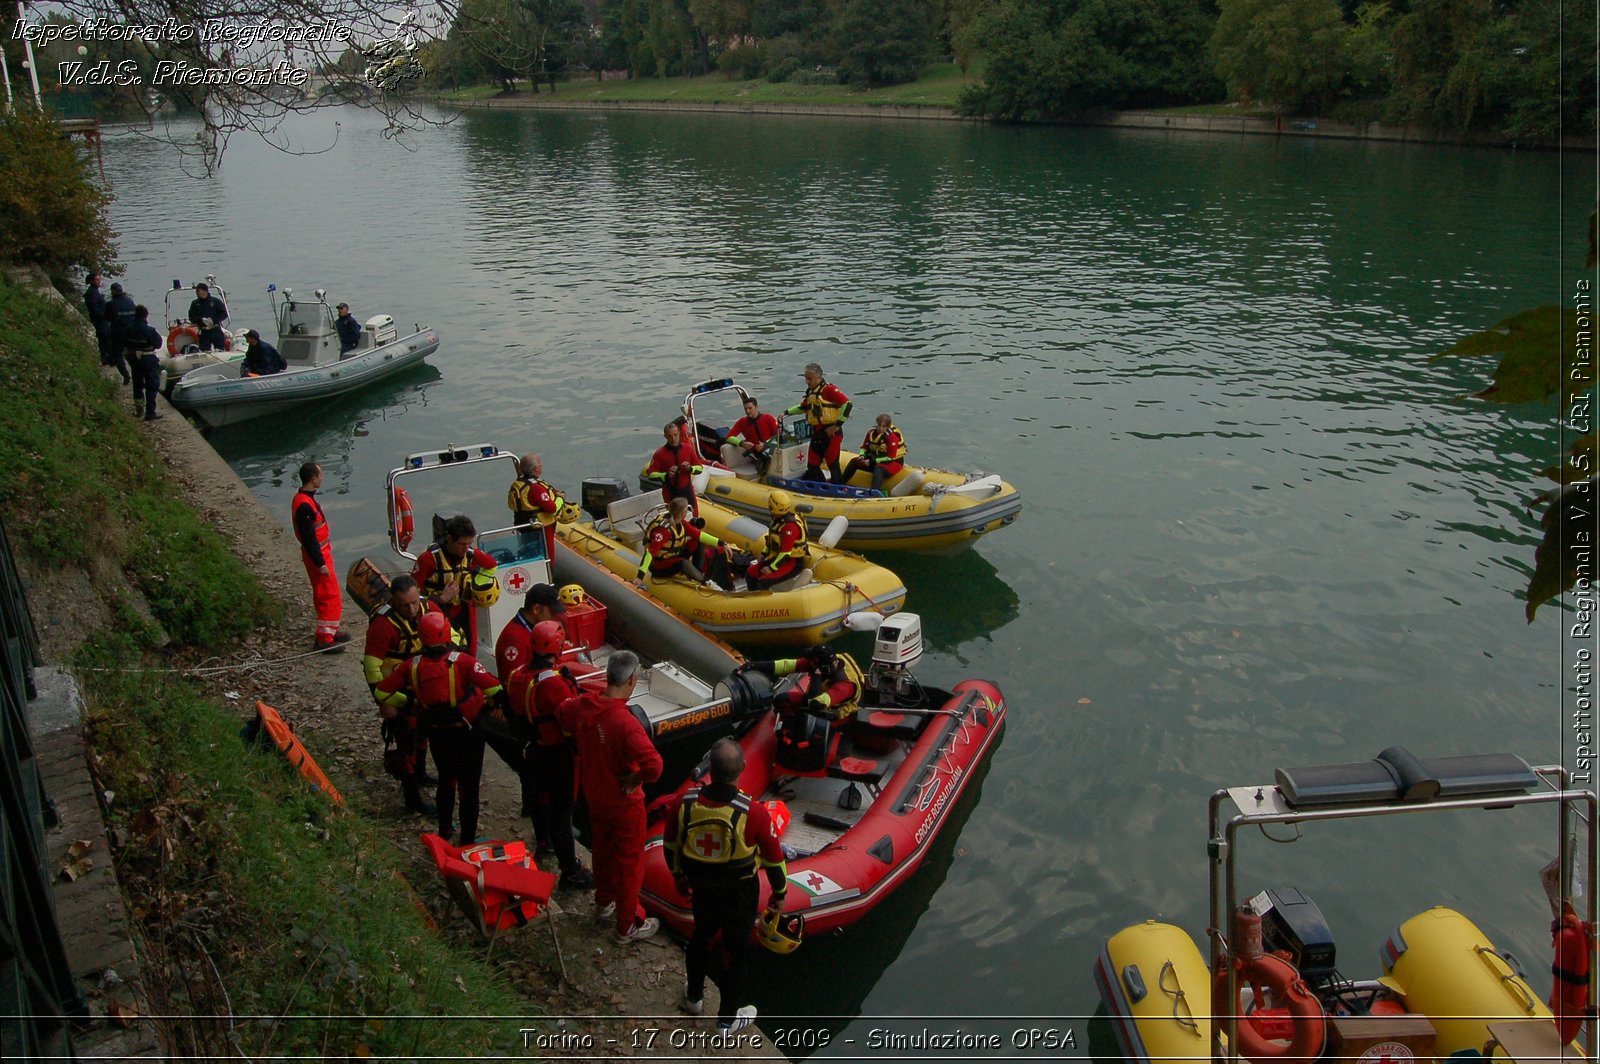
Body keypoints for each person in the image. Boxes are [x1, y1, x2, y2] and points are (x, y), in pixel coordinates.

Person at [665, 737, 785, 1033]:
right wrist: (780, 894)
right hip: (739, 895)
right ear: (743, 768)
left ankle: (694, 996)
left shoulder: (684, 803)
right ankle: (727, 1020)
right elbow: (774, 860)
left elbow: (670, 845)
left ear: (710, 769)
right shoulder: (754, 813)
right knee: (735, 951)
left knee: (701, 939)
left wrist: (678, 877)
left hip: (701, 888)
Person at [556, 651, 662, 944]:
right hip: (624, 804)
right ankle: (627, 925)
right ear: (632, 680)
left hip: (594, 796)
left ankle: (603, 903)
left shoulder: (583, 706)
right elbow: (654, 765)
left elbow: (562, 712)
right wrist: (636, 778)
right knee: (629, 863)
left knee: (601, 851)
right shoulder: (626, 724)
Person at [376, 612, 503, 845]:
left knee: (446, 780)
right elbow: (496, 690)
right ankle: (467, 840)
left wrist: (409, 703)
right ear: (447, 632)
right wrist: (489, 705)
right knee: (469, 787)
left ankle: (444, 831)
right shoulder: (463, 662)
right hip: (467, 732)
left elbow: (382, 692)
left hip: (437, 732)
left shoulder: (411, 666)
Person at [502, 620, 595, 889]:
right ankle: (570, 870)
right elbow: (572, 717)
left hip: (531, 748)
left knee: (540, 799)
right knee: (563, 814)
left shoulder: (517, 675)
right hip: (557, 754)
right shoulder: (553, 684)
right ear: (557, 646)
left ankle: (544, 843)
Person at [362, 574, 443, 816]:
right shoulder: (383, 626)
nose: (411, 609)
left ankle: (420, 773)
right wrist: (385, 701)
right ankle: (412, 798)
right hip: (396, 691)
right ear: (393, 602)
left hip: (422, 686)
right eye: (405, 605)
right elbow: (372, 669)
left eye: (414, 603)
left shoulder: (430, 608)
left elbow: (450, 637)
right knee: (405, 743)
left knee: (423, 735)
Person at [490, 582, 567, 825]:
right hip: (526, 717)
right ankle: (535, 812)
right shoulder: (516, 638)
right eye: (549, 611)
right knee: (532, 769)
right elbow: (518, 685)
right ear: (536, 609)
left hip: (532, 712)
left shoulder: (531, 634)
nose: (553, 615)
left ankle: (537, 809)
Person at [412, 514, 499, 657]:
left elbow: (492, 565)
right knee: (445, 654)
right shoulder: (428, 559)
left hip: (465, 610)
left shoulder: (470, 555)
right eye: (462, 544)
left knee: (470, 652)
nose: (466, 548)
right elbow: (413, 595)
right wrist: (440, 598)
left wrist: (475, 585)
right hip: (438, 613)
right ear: (450, 539)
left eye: (469, 544)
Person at [292, 462, 349, 652]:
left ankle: (330, 630)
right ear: (313, 479)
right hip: (318, 555)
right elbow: (309, 539)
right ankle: (324, 638)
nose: (322, 478)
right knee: (330, 594)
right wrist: (320, 563)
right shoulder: (304, 505)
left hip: (323, 551)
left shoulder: (304, 499)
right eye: (320, 475)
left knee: (325, 592)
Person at [636, 496, 725, 590]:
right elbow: (650, 552)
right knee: (682, 563)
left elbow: (698, 535)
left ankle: (696, 574)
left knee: (698, 541)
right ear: (683, 513)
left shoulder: (680, 522)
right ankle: (706, 582)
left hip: (673, 556)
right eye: (686, 509)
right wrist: (639, 577)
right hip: (659, 566)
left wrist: (721, 543)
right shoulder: (664, 531)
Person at [506, 454, 578, 562]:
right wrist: (560, 498)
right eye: (540, 463)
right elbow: (552, 509)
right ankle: (549, 576)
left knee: (531, 556)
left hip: (524, 527)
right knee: (548, 558)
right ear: (536, 468)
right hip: (541, 530)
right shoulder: (535, 488)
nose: (542, 465)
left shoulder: (518, 484)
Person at [787, 362, 851, 483]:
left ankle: (838, 490)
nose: (807, 381)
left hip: (830, 433)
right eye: (805, 378)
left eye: (809, 378)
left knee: (833, 464)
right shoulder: (811, 393)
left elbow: (847, 405)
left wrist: (838, 425)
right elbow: (803, 407)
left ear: (819, 377)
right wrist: (786, 412)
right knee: (812, 466)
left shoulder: (829, 390)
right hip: (817, 433)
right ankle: (822, 486)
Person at [745, 490, 807, 591]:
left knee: (762, 582)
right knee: (750, 573)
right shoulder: (777, 520)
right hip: (777, 558)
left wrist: (771, 568)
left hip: (792, 563)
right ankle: (751, 599)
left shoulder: (789, 527)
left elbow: (786, 554)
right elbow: (771, 541)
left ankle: (763, 605)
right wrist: (764, 554)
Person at [643, 420, 703, 515]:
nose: (673, 438)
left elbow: (700, 468)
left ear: (679, 433)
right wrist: (666, 475)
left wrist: (690, 468)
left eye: (675, 435)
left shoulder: (688, 449)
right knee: (675, 520)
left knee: (694, 517)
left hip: (688, 491)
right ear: (665, 437)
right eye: (670, 436)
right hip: (670, 493)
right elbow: (651, 474)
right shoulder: (660, 454)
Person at [842, 414, 908, 493]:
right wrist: (862, 456)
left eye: (884, 427)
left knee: (879, 469)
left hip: (893, 463)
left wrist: (871, 462)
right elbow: (864, 447)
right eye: (879, 426)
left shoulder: (892, 437)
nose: (881, 428)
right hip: (875, 459)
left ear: (888, 427)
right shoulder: (871, 433)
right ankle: (840, 484)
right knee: (854, 461)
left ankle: (874, 492)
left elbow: (890, 457)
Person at [124, 305, 166, 422]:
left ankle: (139, 409)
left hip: (134, 360)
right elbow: (158, 344)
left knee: (137, 384)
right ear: (146, 315)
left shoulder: (128, 329)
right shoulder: (149, 330)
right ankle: (150, 412)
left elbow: (124, 341)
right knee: (152, 386)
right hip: (148, 358)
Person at [84, 271, 125, 382]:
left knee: (104, 338)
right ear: (92, 281)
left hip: (101, 319)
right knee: (105, 337)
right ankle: (108, 358)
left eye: (99, 279)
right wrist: (106, 315)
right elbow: (95, 310)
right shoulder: (92, 293)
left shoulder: (94, 292)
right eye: (97, 280)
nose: (99, 281)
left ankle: (107, 357)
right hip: (100, 320)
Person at [726, 396, 780, 478]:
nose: (748, 411)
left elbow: (778, 436)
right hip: (755, 454)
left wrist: (765, 445)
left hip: (771, 450)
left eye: (750, 408)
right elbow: (729, 437)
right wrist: (741, 443)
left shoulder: (768, 418)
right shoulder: (742, 422)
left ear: (756, 407)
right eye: (746, 409)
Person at [106, 282, 136, 389]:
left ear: (113, 291)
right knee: (132, 355)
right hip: (131, 333)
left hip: (118, 333)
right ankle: (137, 375)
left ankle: (125, 375)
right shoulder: (130, 302)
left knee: (117, 355)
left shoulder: (111, 304)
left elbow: (107, 319)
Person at [187, 282, 229, 352]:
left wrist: (213, 320)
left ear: (205, 291)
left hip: (215, 329)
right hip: (203, 331)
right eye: (197, 291)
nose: (198, 293)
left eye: (199, 291)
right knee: (204, 350)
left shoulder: (215, 301)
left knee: (219, 348)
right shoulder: (195, 303)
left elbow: (224, 314)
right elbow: (191, 317)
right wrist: (201, 320)